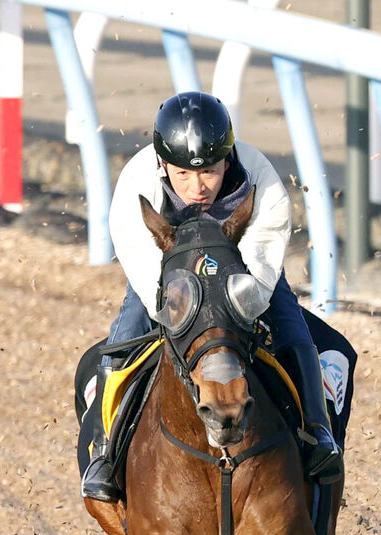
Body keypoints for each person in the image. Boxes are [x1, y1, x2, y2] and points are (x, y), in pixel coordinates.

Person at [81, 91, 343, 502]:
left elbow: (259, 269)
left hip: (240, 274)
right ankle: (104, 450)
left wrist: (227, 306)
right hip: (166, 275)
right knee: (122, 340)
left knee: (294, 334)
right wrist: (183, 309)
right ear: (162, 163)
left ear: (228, 159)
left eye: (209, 173)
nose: (197, 187)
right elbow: (145, 265)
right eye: (182, 174)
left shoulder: (262, 179)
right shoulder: (137, 180)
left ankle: (320, 435)